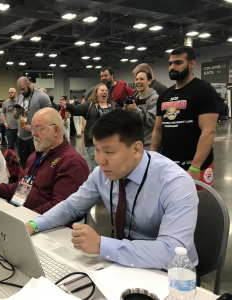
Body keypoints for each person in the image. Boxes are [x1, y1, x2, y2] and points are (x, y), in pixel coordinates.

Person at [25, 109, 198, 270]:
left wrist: (102, 245)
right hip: (121, 263)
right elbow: (71, 206)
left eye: (108, 151)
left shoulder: (174, 183)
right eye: (97, 150)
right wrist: (33, 224)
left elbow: (172, 252)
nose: (100, 160)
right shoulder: (102, 174)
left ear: (137, 149)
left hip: (168, 273)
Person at [0, 107, 89, 214]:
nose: (33, 133)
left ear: (56, 130)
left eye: (39, 129)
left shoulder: (71, 163)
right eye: (32, 128)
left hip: (43, 227)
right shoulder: (35, 157)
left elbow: (61, 208)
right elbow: (20, 188)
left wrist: (23, 216)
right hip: (20, 214)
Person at [151, 46, 219, 187]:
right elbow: (158, 130)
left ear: (191, 64)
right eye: (170, 64)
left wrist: (195, 167)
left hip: (195, 167)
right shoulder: (164, 95)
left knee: (199, 206)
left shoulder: (204, 91)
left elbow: (208, 131)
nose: (173, 67)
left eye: (178, 63)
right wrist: (152, 160)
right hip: (168, 165)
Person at [61, 84, 116, 172]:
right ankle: (95, 183)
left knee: (108, 165)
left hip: (109, 141)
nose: (104, 92)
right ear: (96, 93)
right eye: (102, 90)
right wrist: (68, 105)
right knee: (96, 166)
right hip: (93, 141)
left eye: (106, 90)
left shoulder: (112, 105)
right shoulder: (90, 105)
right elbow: (77, 110)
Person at [13, 76, 51, 169]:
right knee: (24, 166)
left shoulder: (42, 96)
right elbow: (15, 116)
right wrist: (17, 112)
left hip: (35, 137)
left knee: (36, 166)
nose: (21, 92)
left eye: (23, 89)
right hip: (21, 137)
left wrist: (33, 128)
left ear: (29, 84)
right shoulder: (21, 97)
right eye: (19, 90)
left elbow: (50, 117)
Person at [124, 71, 158, 150]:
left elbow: (152, 120)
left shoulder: (154, 98)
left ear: (149, 81)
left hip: (147, 145)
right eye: (136, 79)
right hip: (134, 143)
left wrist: (135, 109)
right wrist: (125, 110)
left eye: (142, 79)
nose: (138, 82)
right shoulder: (134, 98)